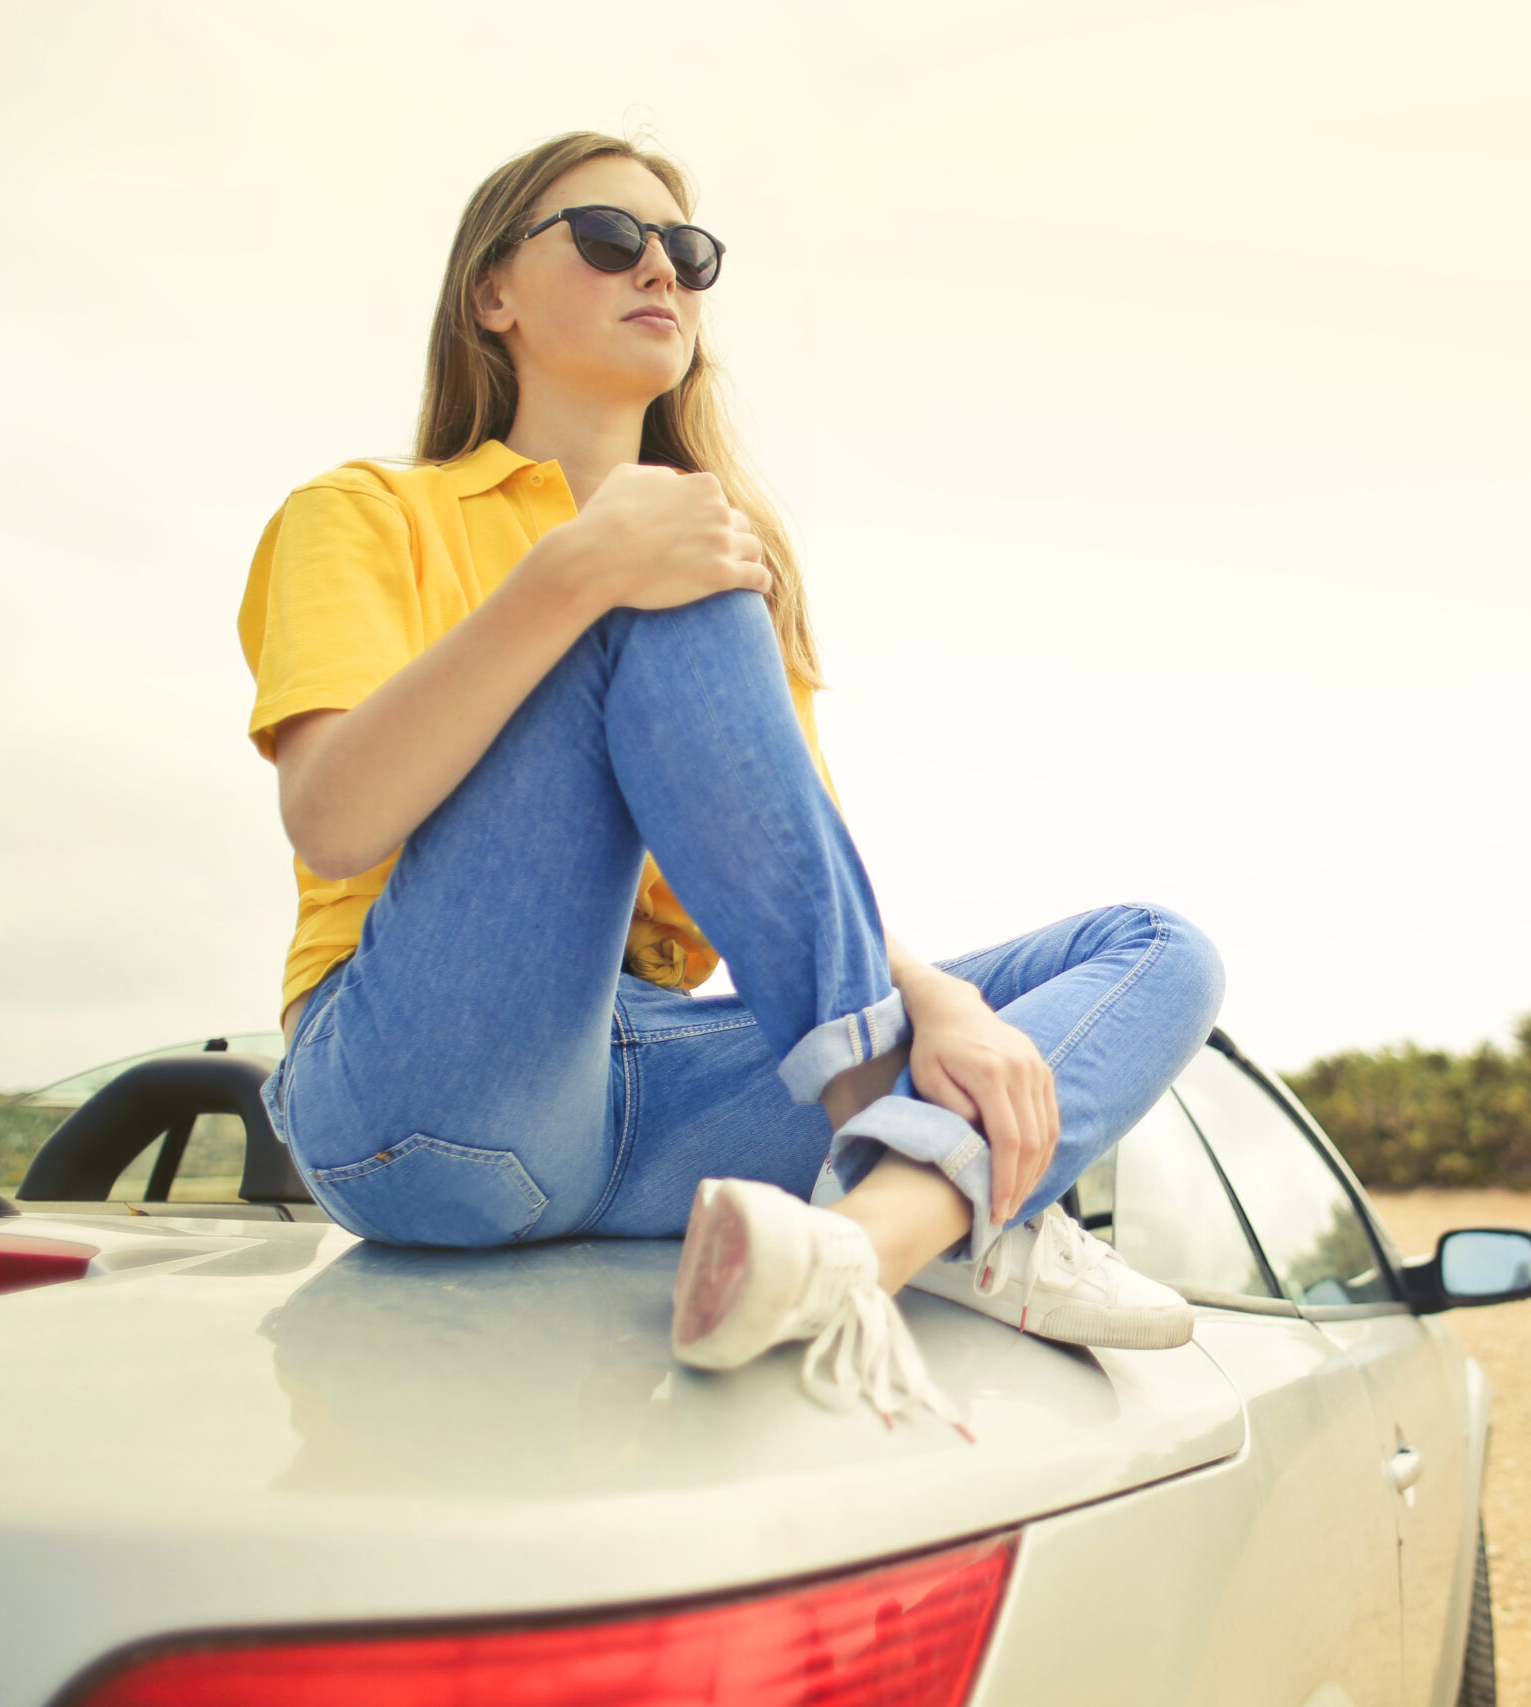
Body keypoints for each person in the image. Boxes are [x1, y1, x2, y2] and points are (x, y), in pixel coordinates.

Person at [239, 131, 1224, 1430]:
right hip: (414, 1088)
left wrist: (937, 1005)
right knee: (677, 574)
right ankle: (934, 1164)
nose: (661, 268)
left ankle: (872, 1239)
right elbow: (335, 816)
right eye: (607, 238)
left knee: (1158, 949)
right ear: (493, 295)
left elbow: (768, 882)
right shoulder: (368, 511)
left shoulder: (728, 560)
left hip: (640, 1101)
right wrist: (579, 572)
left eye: (689, 253)